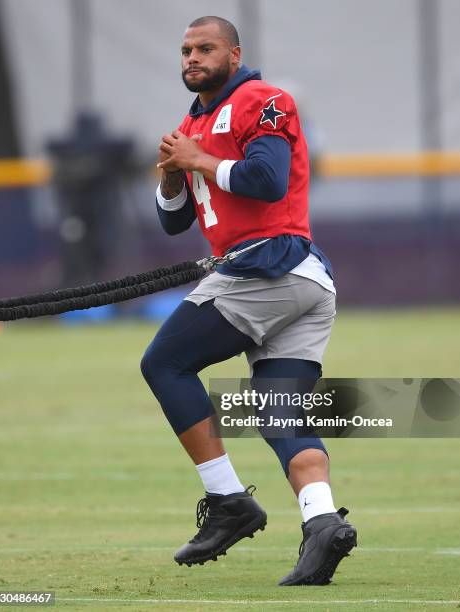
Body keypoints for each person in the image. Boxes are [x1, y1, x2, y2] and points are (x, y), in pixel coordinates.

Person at [141, 16, 357, 586]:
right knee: (276, 406)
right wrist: (170, 177)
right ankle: (322, 523)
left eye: (205, 48)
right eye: (185, 50)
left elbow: (267, 180)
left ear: (234, 54)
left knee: (164, 362)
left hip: (270, 266)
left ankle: (229, 499)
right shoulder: (194, 120)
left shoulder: (263, 98)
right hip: (300, 281)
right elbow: (175, 221)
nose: (192, 57)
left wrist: (198, 161)